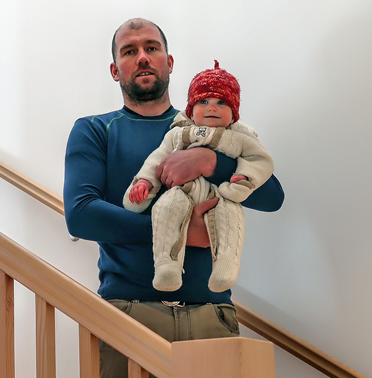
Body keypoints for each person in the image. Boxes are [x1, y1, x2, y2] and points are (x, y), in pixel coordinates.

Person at [63, 18, 284, 377]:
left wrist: (209, 160)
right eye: (129, 51)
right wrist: (179, 229)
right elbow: (81, 214)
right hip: (130, 315)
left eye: (152, 48)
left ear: (170, 61)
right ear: (115, 70)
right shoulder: (94, 130)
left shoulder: (214, 129)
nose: (142, 57)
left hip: (212, 315)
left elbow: (272, 196)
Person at [123, 61, 274, 293]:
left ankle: (226, 266)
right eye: (203, 102)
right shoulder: (177, 134)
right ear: (191, 111)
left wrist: (243, 177)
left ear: (233, 114)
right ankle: (166, 267)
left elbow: (260, 160)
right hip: (180, 192)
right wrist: (144, 182)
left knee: (230, 215)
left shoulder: (239, 138)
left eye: (221, 103)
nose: (212, 107)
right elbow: (156, 160)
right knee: (165, 208)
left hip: (221, 195)